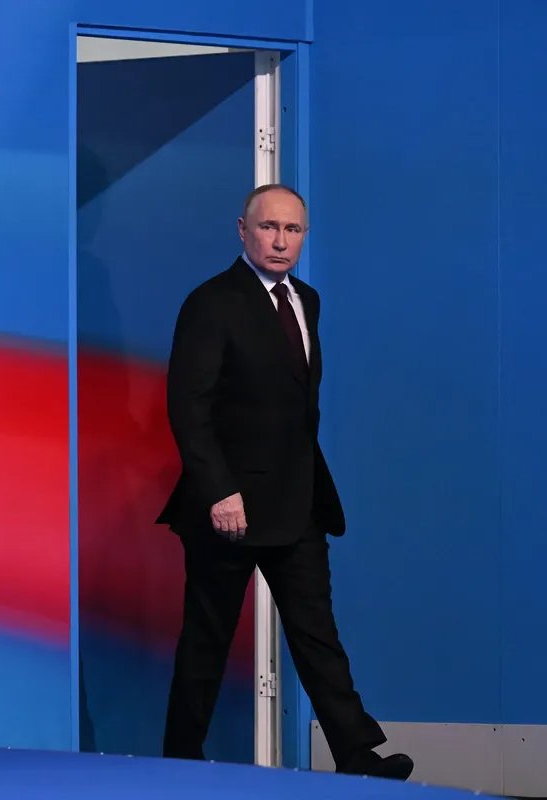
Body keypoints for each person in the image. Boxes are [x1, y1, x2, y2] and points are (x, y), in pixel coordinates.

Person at [156, 184, 414, 780]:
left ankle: (355, 753)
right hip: (229, 508)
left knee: (317, 634)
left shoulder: (308, 300)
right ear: (242, 231)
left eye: (292, 230)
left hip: (298, 504)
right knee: (207, 639)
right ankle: (176, 762)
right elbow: (187, 406)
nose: (280, 240)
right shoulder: (212, 302)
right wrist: (219, 490)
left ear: (304, 236)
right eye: (268, 227)